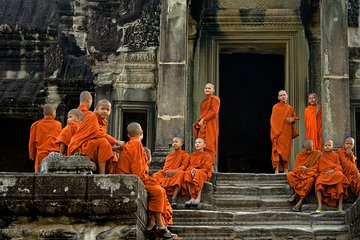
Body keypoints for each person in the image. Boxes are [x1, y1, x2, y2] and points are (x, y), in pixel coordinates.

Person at [115, 122, 177, 239]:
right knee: (158, 191)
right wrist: (148, 180)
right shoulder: (136, 144)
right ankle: (159, 225)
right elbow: (137, 170)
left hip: (130, 176)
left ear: (128, 135)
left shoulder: (131, 144)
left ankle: (153, 223)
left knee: (160, 189)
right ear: (142, 133)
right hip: (129, 179)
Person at [68, 99, 124, 174]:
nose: (105, 111)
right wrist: (116, 141)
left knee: (110, 150)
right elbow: (96, 134)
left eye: (108, 109)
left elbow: (97, 138)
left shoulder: (103, 122)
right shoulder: (92, 116)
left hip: (88, 144)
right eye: (102, 108)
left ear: (110, 112)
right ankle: (102, 174)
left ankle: (107, 173)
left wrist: (113, 148)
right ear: (97, 109)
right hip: (79, 146)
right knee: (103, 142)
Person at [153, 137, 189, 207]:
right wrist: (167, 172)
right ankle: (161, 196)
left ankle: (174, 198)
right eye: (173, 142)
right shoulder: (169, 155)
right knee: (156, 175)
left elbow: (184, 166)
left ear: (181, 144)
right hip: (167, 173)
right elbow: (165, 167)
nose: (174, 143)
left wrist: (174, 171)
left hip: (177, 173)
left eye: (176, 142)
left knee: (181, 173)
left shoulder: (185, 155)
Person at [287, 139, 322, 212]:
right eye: (307, 150)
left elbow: (318, 167)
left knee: (310, 180)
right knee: (290, 175)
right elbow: (296, 169)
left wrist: (308, 169)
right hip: (302, 174)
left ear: (313, 146)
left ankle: (301, 200)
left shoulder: (317, 154)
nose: (309, 152)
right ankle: (297, 193)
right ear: (303, 148)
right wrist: (303, 170)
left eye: (310, 149)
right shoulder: (299, 156)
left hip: (310, 173)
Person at [315, 140, 350, 212]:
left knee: (340, 178)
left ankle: (340, 207)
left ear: (332, 147)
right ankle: (320, 206)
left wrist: (332, 171)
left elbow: (339, 166)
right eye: (326, 145)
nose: (327, 147)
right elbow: (316, 167)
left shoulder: (336, 155)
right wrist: (307, 169)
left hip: (334, 173)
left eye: (329, 145)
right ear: (323, 147)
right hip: (324, 174)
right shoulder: (320, 157)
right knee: (318, 182)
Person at [270, 90, 299, 174]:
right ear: (278, 97)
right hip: (277, 133)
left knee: (286, 153)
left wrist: (292, 119)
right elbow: (273, 120)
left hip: (287, 133)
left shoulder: (290, 107)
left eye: (284, 95)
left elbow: (294, 117)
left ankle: (286, 170)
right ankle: (276, 171)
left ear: (287, 96)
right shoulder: (275, 107)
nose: (283, 96)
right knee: (277, 152)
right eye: (281, 95)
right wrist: (276, 132)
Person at [28, 104, 62, 173]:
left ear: (44, 113)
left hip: (41, 155)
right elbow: (61, 140)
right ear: (53, 113)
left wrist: (32, 155)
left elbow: (32, 142)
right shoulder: (58, 124)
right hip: (54, 155)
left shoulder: (36, 125)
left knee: (40, 176)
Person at [193, 83, 220, 160]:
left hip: (211, 123)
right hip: (203, 124)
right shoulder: (203, 102)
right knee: (201, 141)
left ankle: (210, 163)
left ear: (213, 90)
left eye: (209, 88)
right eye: (206, 88)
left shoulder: (215, 99)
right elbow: (202, 114)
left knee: (209, 142)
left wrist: (203, 119)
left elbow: (214, 112)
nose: (207, 89)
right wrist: (199, 123)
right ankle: (201, 161)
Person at [182, 138, 213, 207]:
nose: (197, 144)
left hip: (203, 172)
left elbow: (207, 168)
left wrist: (196, 170)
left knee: (198, 173)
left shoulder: (208, 155)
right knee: (187, 173)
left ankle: (198, 197)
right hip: (192, 171)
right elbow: (188, 166)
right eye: (196, 143)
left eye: (199, 142)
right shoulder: (192, 155)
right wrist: (192, 169)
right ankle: (192, 197)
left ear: (204, 145)